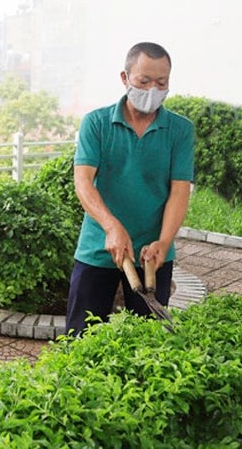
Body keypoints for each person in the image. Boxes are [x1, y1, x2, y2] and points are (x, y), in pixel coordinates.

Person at [65, 42, 195, 336]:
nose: (153, 90)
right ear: (125, 79)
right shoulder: (96, 123)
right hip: (98, 247)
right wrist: (111, 227)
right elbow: (83, 181)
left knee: (149, 342)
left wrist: (164, 241)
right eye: (144, 81)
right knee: (80, 337)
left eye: (161, 83)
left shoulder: (180, 130)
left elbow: (179, 191)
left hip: (154, 252)